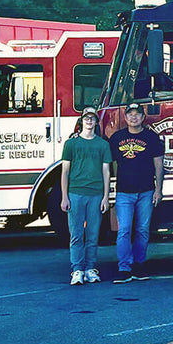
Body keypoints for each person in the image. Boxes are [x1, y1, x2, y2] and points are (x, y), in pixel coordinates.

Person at [108, 104, 163, 283]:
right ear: (125, 117)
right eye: (130, 114)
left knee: (142, 230)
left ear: (142, 117)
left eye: (137, 114)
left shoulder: (151, 137)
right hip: (124, 192)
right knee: (124, 230)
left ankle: (139, 265)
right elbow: (109, 166)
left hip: (146, 191)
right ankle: (124, 268)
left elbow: (158, 164)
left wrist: (158, 190)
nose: (133, 117)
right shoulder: (116, 138)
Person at [61, 108, 112, 285]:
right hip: (75, 193)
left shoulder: (103, 145)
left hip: (96, 194)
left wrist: (106, 197)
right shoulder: (70, 144)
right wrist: (64, 197)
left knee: (92, 234)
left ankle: (90, 268)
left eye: (92, 119)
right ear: (81, 121)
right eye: (86, 118)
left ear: (97, 122)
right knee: (76, 234)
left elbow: (106, 172)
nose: (89, 121)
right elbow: (65, 171)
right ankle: (77, 270)